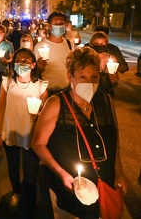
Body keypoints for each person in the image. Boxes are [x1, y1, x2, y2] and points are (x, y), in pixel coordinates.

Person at [31, 47, 129, 218]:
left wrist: (119, 173)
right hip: (71, 185)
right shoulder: (56, 103)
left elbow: (114, 140)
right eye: (82, 77)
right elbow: (38, 144)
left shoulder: (106, 101)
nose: (89, 82)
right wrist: (61, 174)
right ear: (70, 77)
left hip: (105, 179)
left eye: (94, 77)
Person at [0, 48, 48, 216]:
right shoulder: (7, 82)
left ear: (33, 65)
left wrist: (37, 114)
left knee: (31, 171)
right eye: (18, 60)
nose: (21, 63)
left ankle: (29, 200)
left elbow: (45, 113)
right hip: (10, 132)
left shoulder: (41, 86)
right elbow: (0, 108)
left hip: (31, 135)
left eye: (26, 60)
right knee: (13, 166)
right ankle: (17, 192)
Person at [33, 11, 74, 96]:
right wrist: (39, 67)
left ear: (65, 25)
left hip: (66, 91)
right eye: (55, 23)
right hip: (46, 92)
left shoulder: (70, 45)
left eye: (61, 23)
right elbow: (33, 71)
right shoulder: (39, 47)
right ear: (49, 26)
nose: (58, 25)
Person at [88, 31, 128, 97]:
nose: (99, 46)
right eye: (96, 43)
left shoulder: (112, 58)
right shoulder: (87, 58)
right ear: (92, 44)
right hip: (90, 92)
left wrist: (113, 76)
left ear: (106, 44)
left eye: (102, 43)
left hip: (107, 93)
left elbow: (114, 81)